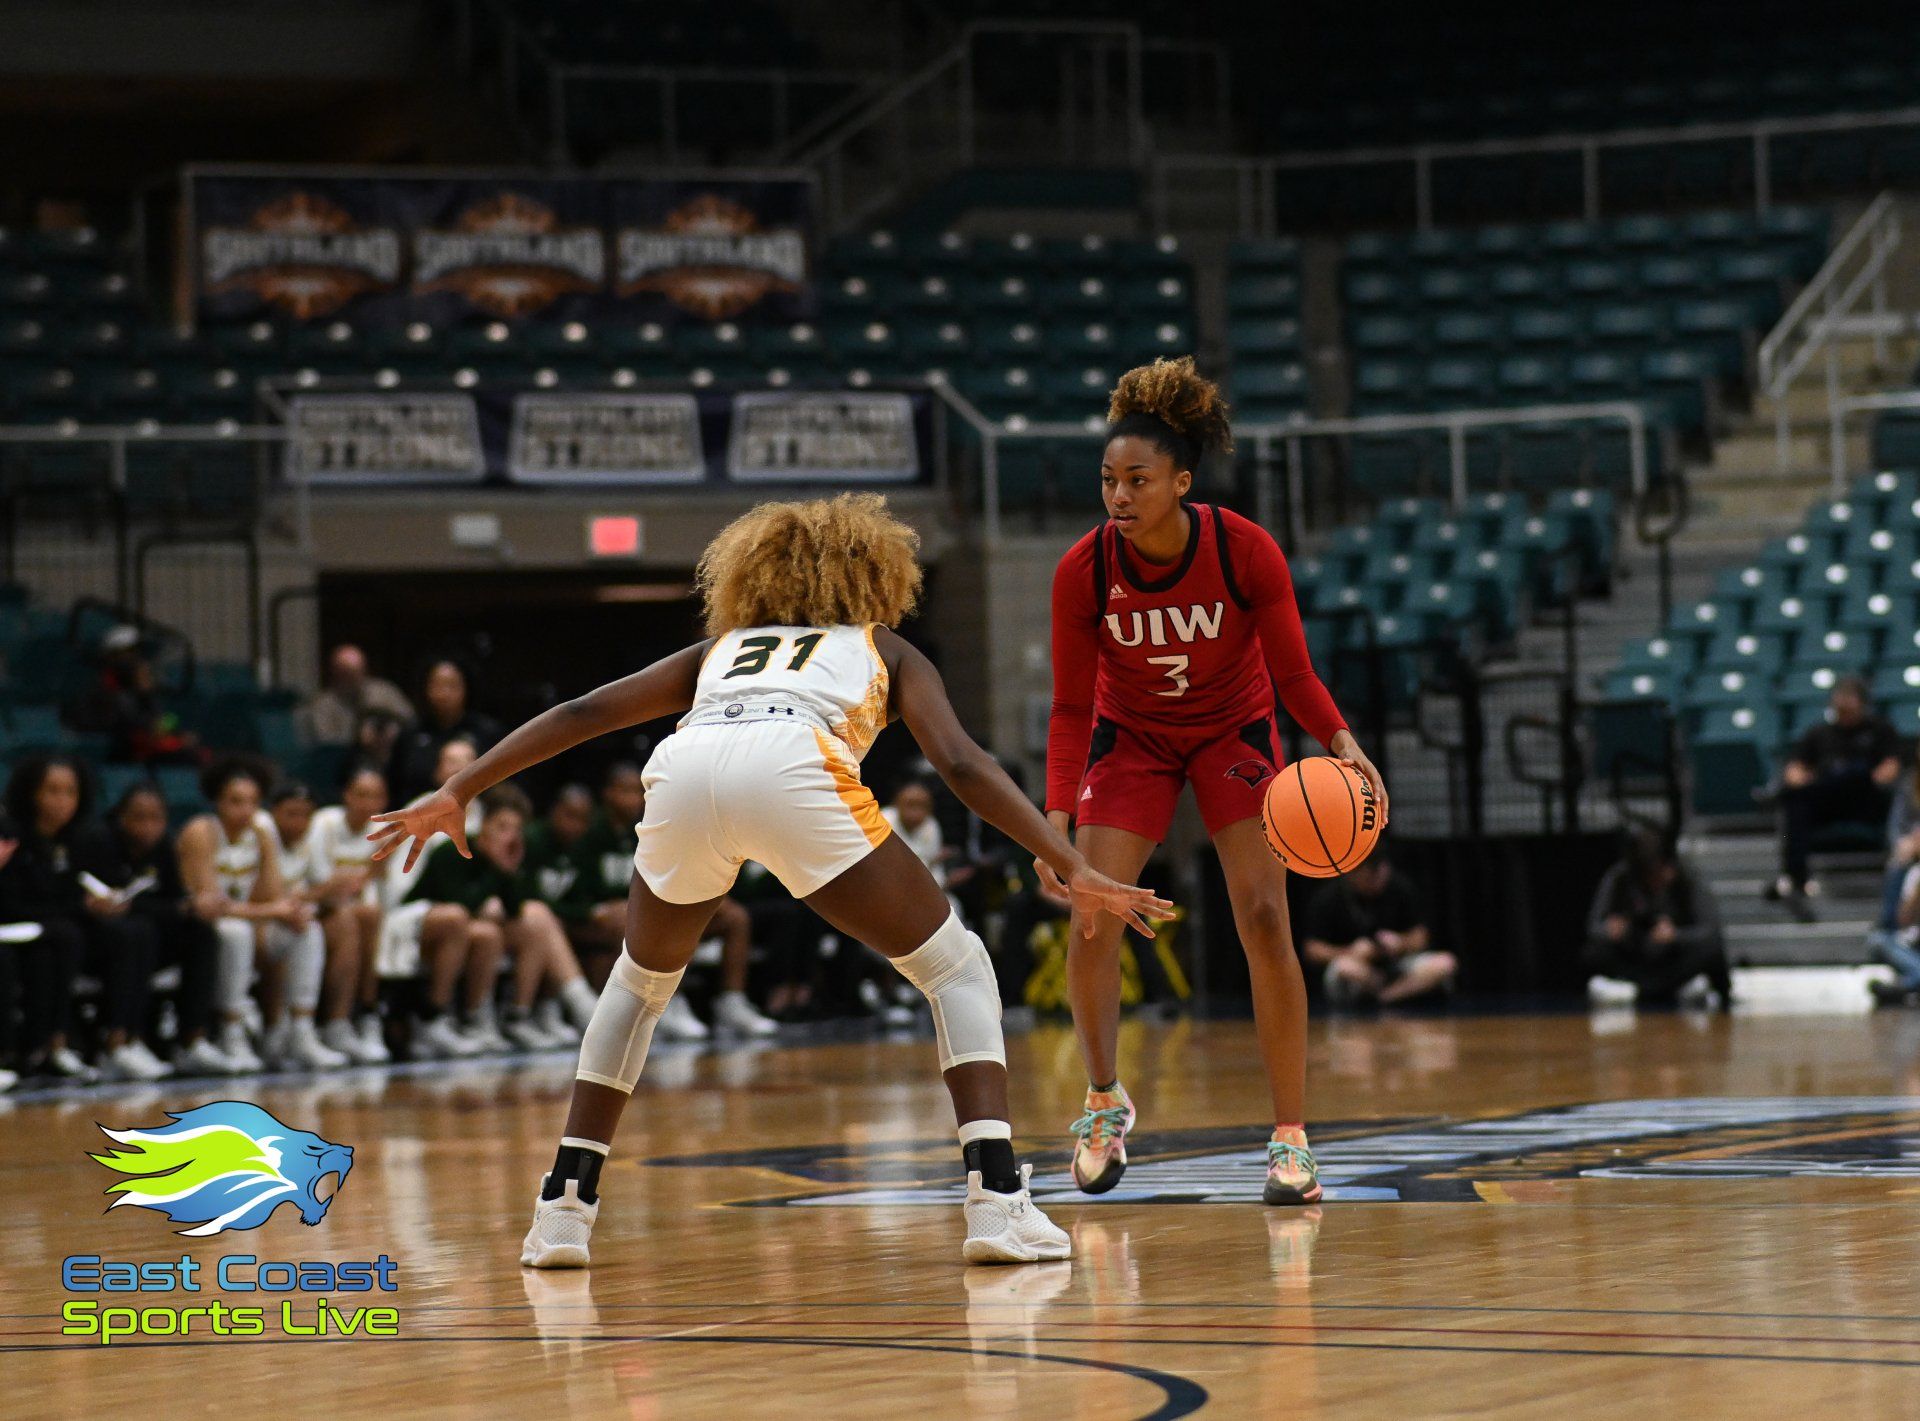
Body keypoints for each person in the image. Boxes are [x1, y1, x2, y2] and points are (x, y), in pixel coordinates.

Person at [370, 492, 1169, 1268]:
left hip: (686, 764)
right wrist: (1074, 864)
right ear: (875, 576)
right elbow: (960, 761)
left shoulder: (722, 649)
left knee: (639, 986)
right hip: (793, 764)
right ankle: (997, 1198)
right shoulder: (882, 644)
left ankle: (561, 1213)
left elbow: (583, 711)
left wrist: (459, 788)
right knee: (955, 967)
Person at [1043, 356, 1387, 1205]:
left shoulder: (1244, 548)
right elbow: (1067, 709)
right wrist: (1052, 819)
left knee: (1265, 916)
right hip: (1134, 738)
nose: (1118, 496)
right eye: (1107, 480)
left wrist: (1341, 739)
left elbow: (1295, 674)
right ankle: (1101, 1097)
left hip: (1232, 729)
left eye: (1137, 479)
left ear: (1181, 481)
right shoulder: (1082, 571)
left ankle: (1292, 1139)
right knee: (1093, 910)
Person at [176, 760, 345, 1072]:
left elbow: (271, 896)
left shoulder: (258, 834)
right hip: (196, 931)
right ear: (217, 801)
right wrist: (272, 910)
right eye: (236, 802)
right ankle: (231, 1031)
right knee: (235, 931)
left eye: (253, 803)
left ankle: (300, 1030)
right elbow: (213, 905)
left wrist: (268, 844)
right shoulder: (202, 831)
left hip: (243, 923)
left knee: (305, 926)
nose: (246, 810)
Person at [405, 785, 599, 1053]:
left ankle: (516, 1016)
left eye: (515, 829)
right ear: (483, 825)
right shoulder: (452, 851)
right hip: (419, 926)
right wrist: (496, 870)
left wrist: (506, 870)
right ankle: (432, 1018)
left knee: (533, 920)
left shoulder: (509, 857)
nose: (509, 835)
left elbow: (516, 907)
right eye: (502, 826)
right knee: (480, 930)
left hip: (467, 929)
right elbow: (461, 904)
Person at [75, 782, 234, 1075]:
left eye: (156, 818)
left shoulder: (163, 848)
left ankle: (192, 1040)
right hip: (98, 943)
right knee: (136, 931)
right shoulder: (99, 842)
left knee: (201, 931)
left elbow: (173, 900)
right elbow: (94, 899)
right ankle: (118, 1041)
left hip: (148, 939)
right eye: (139, 817)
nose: (148, 827)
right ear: (121, 817)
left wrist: (193, 905)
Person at [1768, 676, 1903, 921]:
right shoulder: (1819, 733)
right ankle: (1795, 876)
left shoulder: (1880, 731)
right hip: (1826, 801)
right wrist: (1805, 781)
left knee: (1850, 775)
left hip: (1865, 800)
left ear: (1862, 704)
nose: (1843, 711)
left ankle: (1773, 795)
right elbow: (1795, 770)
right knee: (1797, 801)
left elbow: (1889, 770)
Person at [1583, 829, 1732, 1008]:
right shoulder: (1619, 879)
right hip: (1633, 955)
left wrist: (1676, 935)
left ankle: (1666, 988)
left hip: (1674, 960)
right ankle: (1643, 988)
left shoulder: (1687, 881)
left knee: (1712, 952)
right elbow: (1593, 927)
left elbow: (1710, 930)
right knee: (1592, 953)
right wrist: (1611, 930)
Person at [304, 764, 394, 1060]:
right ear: (346, 795)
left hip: (352, 912)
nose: (368, 803)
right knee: (353, 918)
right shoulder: (324, 824)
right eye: (361, 794)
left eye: (376, 796)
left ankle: (366, 1015)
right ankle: (337, 1020)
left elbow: (374, 888)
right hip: (316, 910)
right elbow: (319, 884)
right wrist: (343, 888)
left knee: (369, 916)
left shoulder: (382, 831)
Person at [1299, 854, 1456, 1008]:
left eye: (1380, 872)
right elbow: (1312, 950)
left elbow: (1421, 936)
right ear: (1352, 873)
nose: (1377, 879)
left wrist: (1401, 943)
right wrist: (1351, 951)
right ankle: (1383, 993)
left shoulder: (1399, 887)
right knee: (1344, 968)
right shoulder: (1330, 897)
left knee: (1445, 963)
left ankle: (1387, 997)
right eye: (1369, 876)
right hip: (1360, 970)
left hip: (1397, 967)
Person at [68, 625, 201, 766]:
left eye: (140, 654)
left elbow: (160, 723)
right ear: (114, 657)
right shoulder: (101, 693)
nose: (139, 660)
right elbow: (126, 734)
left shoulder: (145, 695)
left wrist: (177, 737)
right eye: (131, 653)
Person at [390, 658, 502, 801]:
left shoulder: (486, 731)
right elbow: (396, 783)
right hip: (418, 809)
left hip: (476, 813)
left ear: (465, 688)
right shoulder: (410, 734)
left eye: (452, 685)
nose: (444, 693)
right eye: (437, 685)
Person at [298, 643, 417, 759]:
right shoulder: (322, 706)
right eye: (349, 674)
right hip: (345, 765)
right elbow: (327, 747)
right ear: (337, 674)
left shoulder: (385, 691)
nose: (357, 679)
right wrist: (359, 740)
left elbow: (411, 721)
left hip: (391, 760)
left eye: (360, 672)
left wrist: (393, 732)